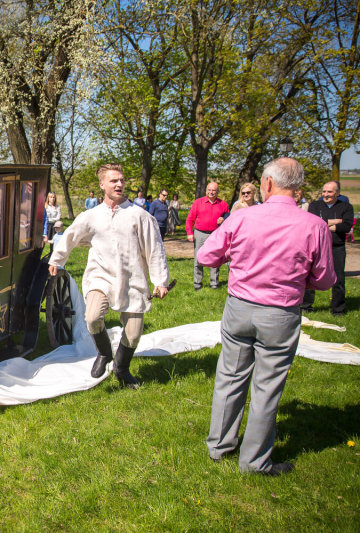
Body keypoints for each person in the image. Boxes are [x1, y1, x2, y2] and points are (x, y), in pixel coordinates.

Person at [198, 158, 335, 476]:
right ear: (298, 190)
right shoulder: (313, 225)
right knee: (267, 386)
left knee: (230, 377)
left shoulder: (242, 218)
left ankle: (220, 446)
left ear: (268, 184)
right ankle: (254, 461)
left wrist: (235, 255)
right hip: (281, 312)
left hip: (240, 306)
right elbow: (326, 279)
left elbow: (207, 256)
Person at [48, 164, 170, 389]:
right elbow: (70, 236)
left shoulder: (139, 216)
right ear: (102, 184)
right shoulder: (92, 216)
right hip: (100, 276)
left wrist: (160, 280)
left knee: (133, 334)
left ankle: (122, 369)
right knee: (93, 317)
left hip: (133, 280)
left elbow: (155, 249)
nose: (119, 184)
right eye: (113, 181)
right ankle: (104, 353)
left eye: (122, 180)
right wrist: (57, 259)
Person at [301, 180, 354, 316]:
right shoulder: (315, 205)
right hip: (317, 245)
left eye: (329, 192)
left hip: (337, 247)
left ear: (337, 193)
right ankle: (306, 306)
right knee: (310, 274)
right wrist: (334, 222)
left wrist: (323, 222)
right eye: (324, 191)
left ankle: (338, 309)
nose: (326, 194)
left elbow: (346, 226)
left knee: (339, 278)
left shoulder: (346, 207)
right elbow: (312, 223)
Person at [186, 182, 230, 290]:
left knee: (215, 258)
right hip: (200, 233)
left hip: (215, 234)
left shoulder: (223, 204)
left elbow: (228, 216)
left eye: (213, 190)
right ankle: (197, 284)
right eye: (209, 190)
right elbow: (189, 219)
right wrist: (189, 233)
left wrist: (224, 218)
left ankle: (214, 283)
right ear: (206, 190)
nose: (211, 192)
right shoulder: (198, 202)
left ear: (217, 192)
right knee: (198, 259)